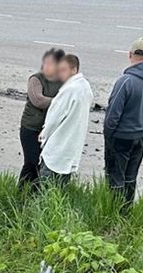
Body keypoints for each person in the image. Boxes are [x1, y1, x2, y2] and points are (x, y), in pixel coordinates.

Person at [104, 38, 143, 208]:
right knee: (131, 176)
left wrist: (108, 136)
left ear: (130, 54)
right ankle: (127, 209)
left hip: (122, 136)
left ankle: (114, 211)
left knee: (116, 177)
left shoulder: (125, 81)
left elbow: (113, 115)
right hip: (142, 134)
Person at [38, 54, 93, 188]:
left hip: (56, 149)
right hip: (71, 149)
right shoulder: (85, 87)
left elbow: (54, 119)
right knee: (61, 189)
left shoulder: (69, 90)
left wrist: (44, 134)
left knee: (46, 188)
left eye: (63, 70)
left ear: (74, 70)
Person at [19, 48, 64, 190]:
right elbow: (38, 100)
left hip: (50, 130)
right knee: (31, 162)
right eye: (46, 62)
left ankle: (34, 192)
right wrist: (60, 102)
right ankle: (21, 191)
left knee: (46, 164)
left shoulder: (63, 82)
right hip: (31, 128)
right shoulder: (36, 79)